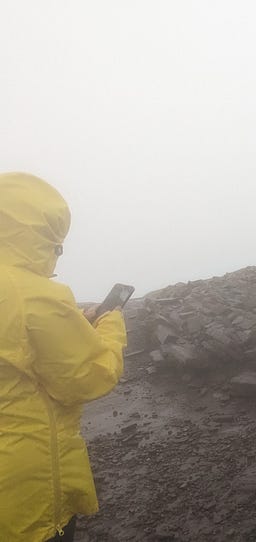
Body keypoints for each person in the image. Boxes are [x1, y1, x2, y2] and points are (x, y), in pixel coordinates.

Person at [0, 173, 127, 542]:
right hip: (21, 487)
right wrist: (110, 326)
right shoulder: (35, 295)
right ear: (42, 236)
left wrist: (70, 327)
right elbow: (87, 378)